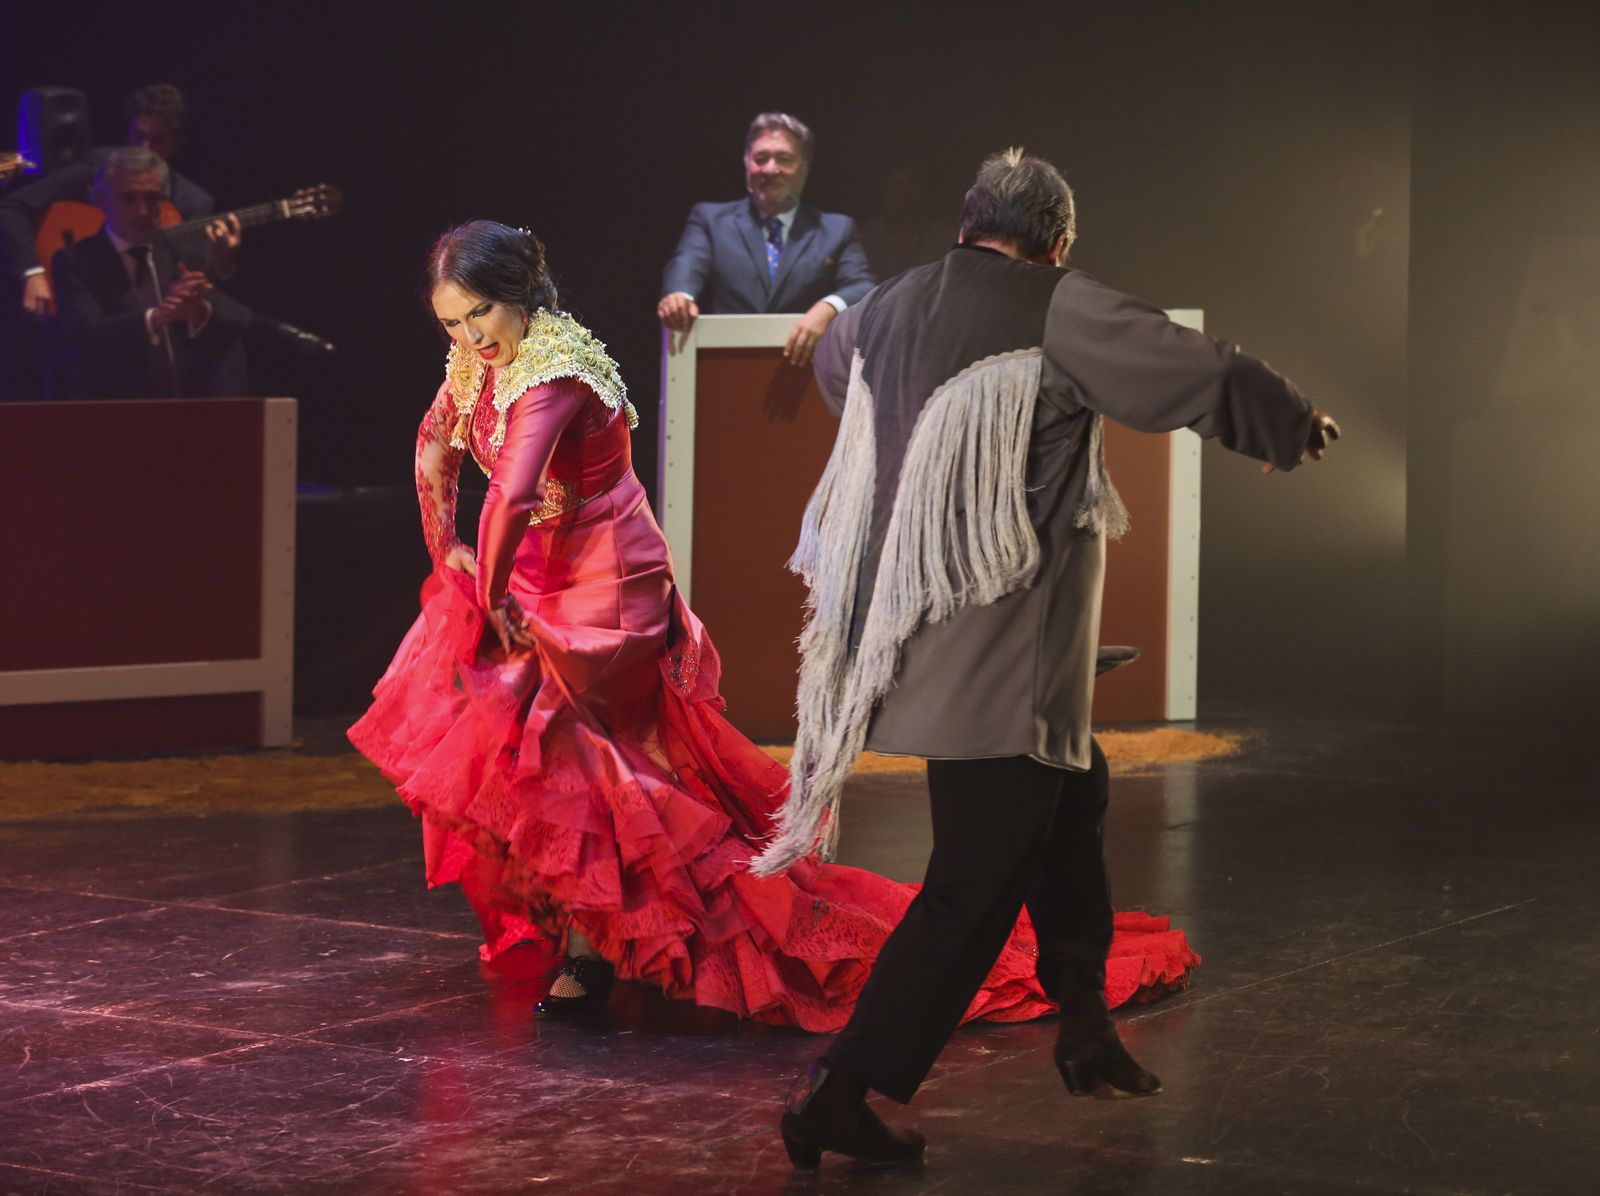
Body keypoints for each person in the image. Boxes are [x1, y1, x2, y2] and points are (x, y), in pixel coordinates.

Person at [349, 220, 1198, 1028]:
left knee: (594, 756)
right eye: (452, 325)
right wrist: (447, 555)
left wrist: (487, 590)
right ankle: (593, 932)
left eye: (480, 317)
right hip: (534, 570)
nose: (469, 339)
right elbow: (435, 448)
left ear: (522, 296)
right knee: (535, 752)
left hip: (607, 584)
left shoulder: (553, 373)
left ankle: (593, 949)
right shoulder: (477, 361)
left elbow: (514, 490)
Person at [760, 149, 1341, 1169]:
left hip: (932, 636)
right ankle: (836, 1093)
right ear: (1056, 239)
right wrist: (1289, 420)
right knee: (969, 890)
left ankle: (1085, 1025)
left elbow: (832, 369)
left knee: (1073, 806)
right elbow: (1186, 365)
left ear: (967, 222)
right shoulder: (1051, 306)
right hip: (1002, 661)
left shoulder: (886, 306)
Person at [1, 84, 239, 317]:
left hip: (139, 318)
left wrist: (221, 262)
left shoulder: (192, 202)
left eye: (157, 140)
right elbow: (11, 207)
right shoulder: (97, 166)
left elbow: (194, 281)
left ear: (178, 143)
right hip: (72, 301)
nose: (145, 148)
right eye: (139, 136)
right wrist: (32, 271)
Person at [657, 112, 875, 367]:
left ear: (804, 168)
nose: (770, 169)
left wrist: (827, 308)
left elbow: (863, 285)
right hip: (723, 370)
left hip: (806, 374)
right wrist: (680, 297)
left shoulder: (837, 229)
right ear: (746, 164)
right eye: (761, 159)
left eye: (784, 159)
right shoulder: (710, 220)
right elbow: (687, 263)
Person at [51, 147, 248, 400]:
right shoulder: (75, 260)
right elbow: (86, 334)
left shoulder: (177, 249)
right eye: (129, 199)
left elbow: (228, 321)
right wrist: (158, 317)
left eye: (153, 198)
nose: (142, 211)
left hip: (185, 411)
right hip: (110, 410)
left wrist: (207, 293)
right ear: (100, 200)